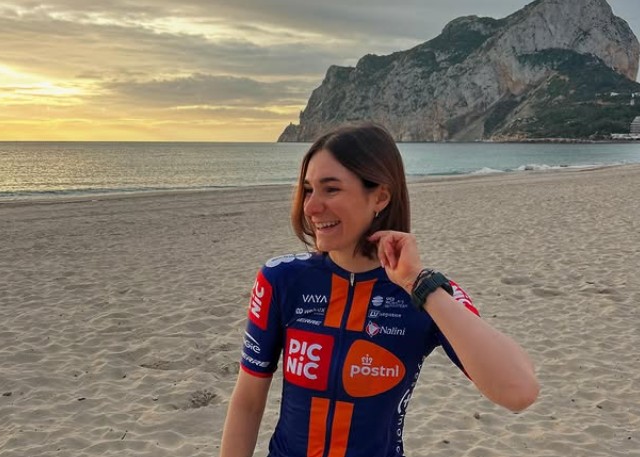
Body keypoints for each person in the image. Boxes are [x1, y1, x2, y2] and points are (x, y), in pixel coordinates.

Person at [219, 123, 539, 457]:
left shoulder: (425, 293)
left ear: (381, 197)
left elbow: (519, 391)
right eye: (308, 189)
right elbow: (248, 401)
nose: (311, 207)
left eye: (331, 189)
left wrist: (419, 284)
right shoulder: (282, 279)